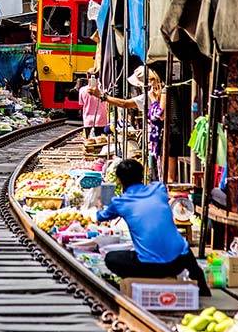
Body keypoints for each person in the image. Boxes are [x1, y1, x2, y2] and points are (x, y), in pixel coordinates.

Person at [97, 160, 210, 295]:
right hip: (179, 263)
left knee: (110, 258)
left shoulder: (120, 202)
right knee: (182, 246)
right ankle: (203, 289)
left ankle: (138, 280)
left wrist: (99, 206)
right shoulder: (158, 189)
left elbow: (100, 216)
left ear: (120, 180)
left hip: (148, 267)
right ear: (141, 175)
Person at [90, 66, 166, 175]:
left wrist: (101, 96)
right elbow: (125, 104)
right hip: (156, 139)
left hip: (161, 139)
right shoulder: (152, 95)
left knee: (161, 170)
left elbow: (125, 104)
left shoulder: (156, 95)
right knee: (158, 168)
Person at [79, 72, 109, 138]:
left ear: (87, 77)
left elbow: (81, 103)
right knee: (100, 141)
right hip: (101, 120)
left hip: (87, 120)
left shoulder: (82, 90)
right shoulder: (103, 90)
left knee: (88, 141)